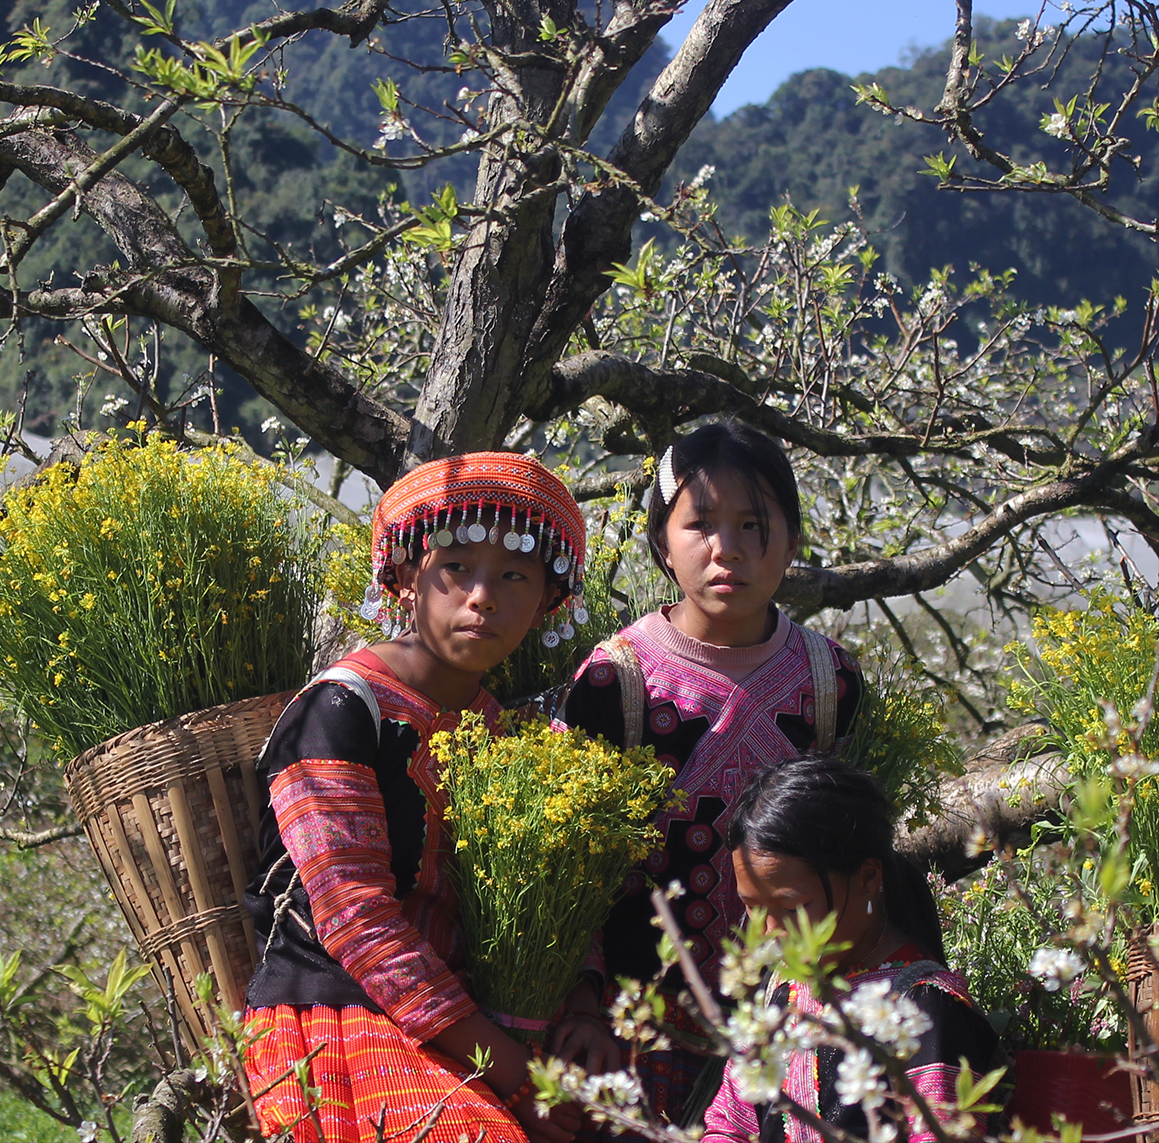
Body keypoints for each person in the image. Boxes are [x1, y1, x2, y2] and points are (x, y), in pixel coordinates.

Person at [242, 452, 591, 1143]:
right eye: (456, 567)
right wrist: (514, 1074)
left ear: (547, 603)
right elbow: (355, 921)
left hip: (461, 1027)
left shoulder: (505, 734)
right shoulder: (343, 709)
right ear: (404, 578)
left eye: (515, 574)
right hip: (335, 1017)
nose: (482, 595)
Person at [551, 422, 866, 1119]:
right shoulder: (616, 683)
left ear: (791, 540)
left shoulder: (829, 680)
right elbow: (568, 864)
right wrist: (581, 1000)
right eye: (701, 525)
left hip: (787, 1020)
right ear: (663, 543)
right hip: (637, 1027)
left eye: (754, 525)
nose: (727, 549)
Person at [705, 754, 999, 1143]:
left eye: (792, 908)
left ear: (867, 879)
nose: (770, 933)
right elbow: (731, 1125)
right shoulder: (779, 990)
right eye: (753, 907)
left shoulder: (925, 1009)